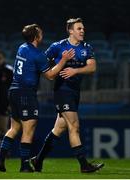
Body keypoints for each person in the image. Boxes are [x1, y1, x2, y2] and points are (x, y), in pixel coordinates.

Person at [0, 24, 75, 172]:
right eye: (40, 33)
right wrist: (63, 60)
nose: (42, 35)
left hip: (14, 91)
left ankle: (0, 160)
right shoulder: (37, 54)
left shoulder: (22, 47)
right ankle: (24, 165)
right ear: (36, 37)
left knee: (14, 128)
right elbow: (50, 76)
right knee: (28, 130)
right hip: (26, 93)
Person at [30, 18, 104, 173]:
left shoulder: (86, 47)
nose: (82, 31)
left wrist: (75, 70)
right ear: (70, 31)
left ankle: (38, 160)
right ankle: (84, 165)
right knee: (74, 126)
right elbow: (41, 63)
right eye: (79, 28)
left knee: (58, 129)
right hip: (62, 91)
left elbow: (92, 67)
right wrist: (56, 68)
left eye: (83, 28)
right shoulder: (58, 46)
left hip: (75, 92)